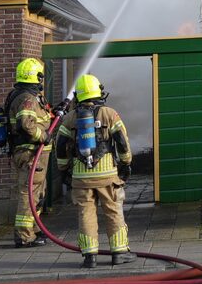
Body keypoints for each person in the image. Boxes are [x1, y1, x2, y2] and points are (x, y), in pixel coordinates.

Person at [55, 73, 133, 267]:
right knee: (113, 210)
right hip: (107, 175)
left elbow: (60, 145)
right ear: (98, 91)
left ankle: (90, 256)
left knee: (85, 213)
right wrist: (125, 163)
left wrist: (63, 169)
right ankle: (119, 252)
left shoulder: (71, 117)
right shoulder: (109, 113)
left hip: (81, 177)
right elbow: (122, 141)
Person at [7, 58, 54, 247]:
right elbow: (26, 125)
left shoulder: (25, 96)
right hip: (30, 154)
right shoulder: (27, 98)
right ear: (37, 77)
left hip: (33, 154)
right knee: (29, 194)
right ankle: (24, 236)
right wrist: (43, 136)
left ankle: (32, 231)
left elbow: (38, 118)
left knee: (35, 193)